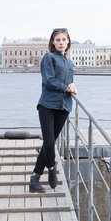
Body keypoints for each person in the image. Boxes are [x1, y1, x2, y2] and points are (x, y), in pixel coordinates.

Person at [29, 28, 77, 193]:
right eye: (58, 40)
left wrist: (72, 86)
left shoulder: (69, 63)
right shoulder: (48, 58)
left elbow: (69, 82)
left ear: (68, 42)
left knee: (49, 144)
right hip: (48, 106)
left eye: (64, 40)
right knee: (49, 143)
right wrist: (66, 88)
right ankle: (51, 168)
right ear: (53, 42)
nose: (61, 43)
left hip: (64, 107)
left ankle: (35, 179)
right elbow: (49, 81)